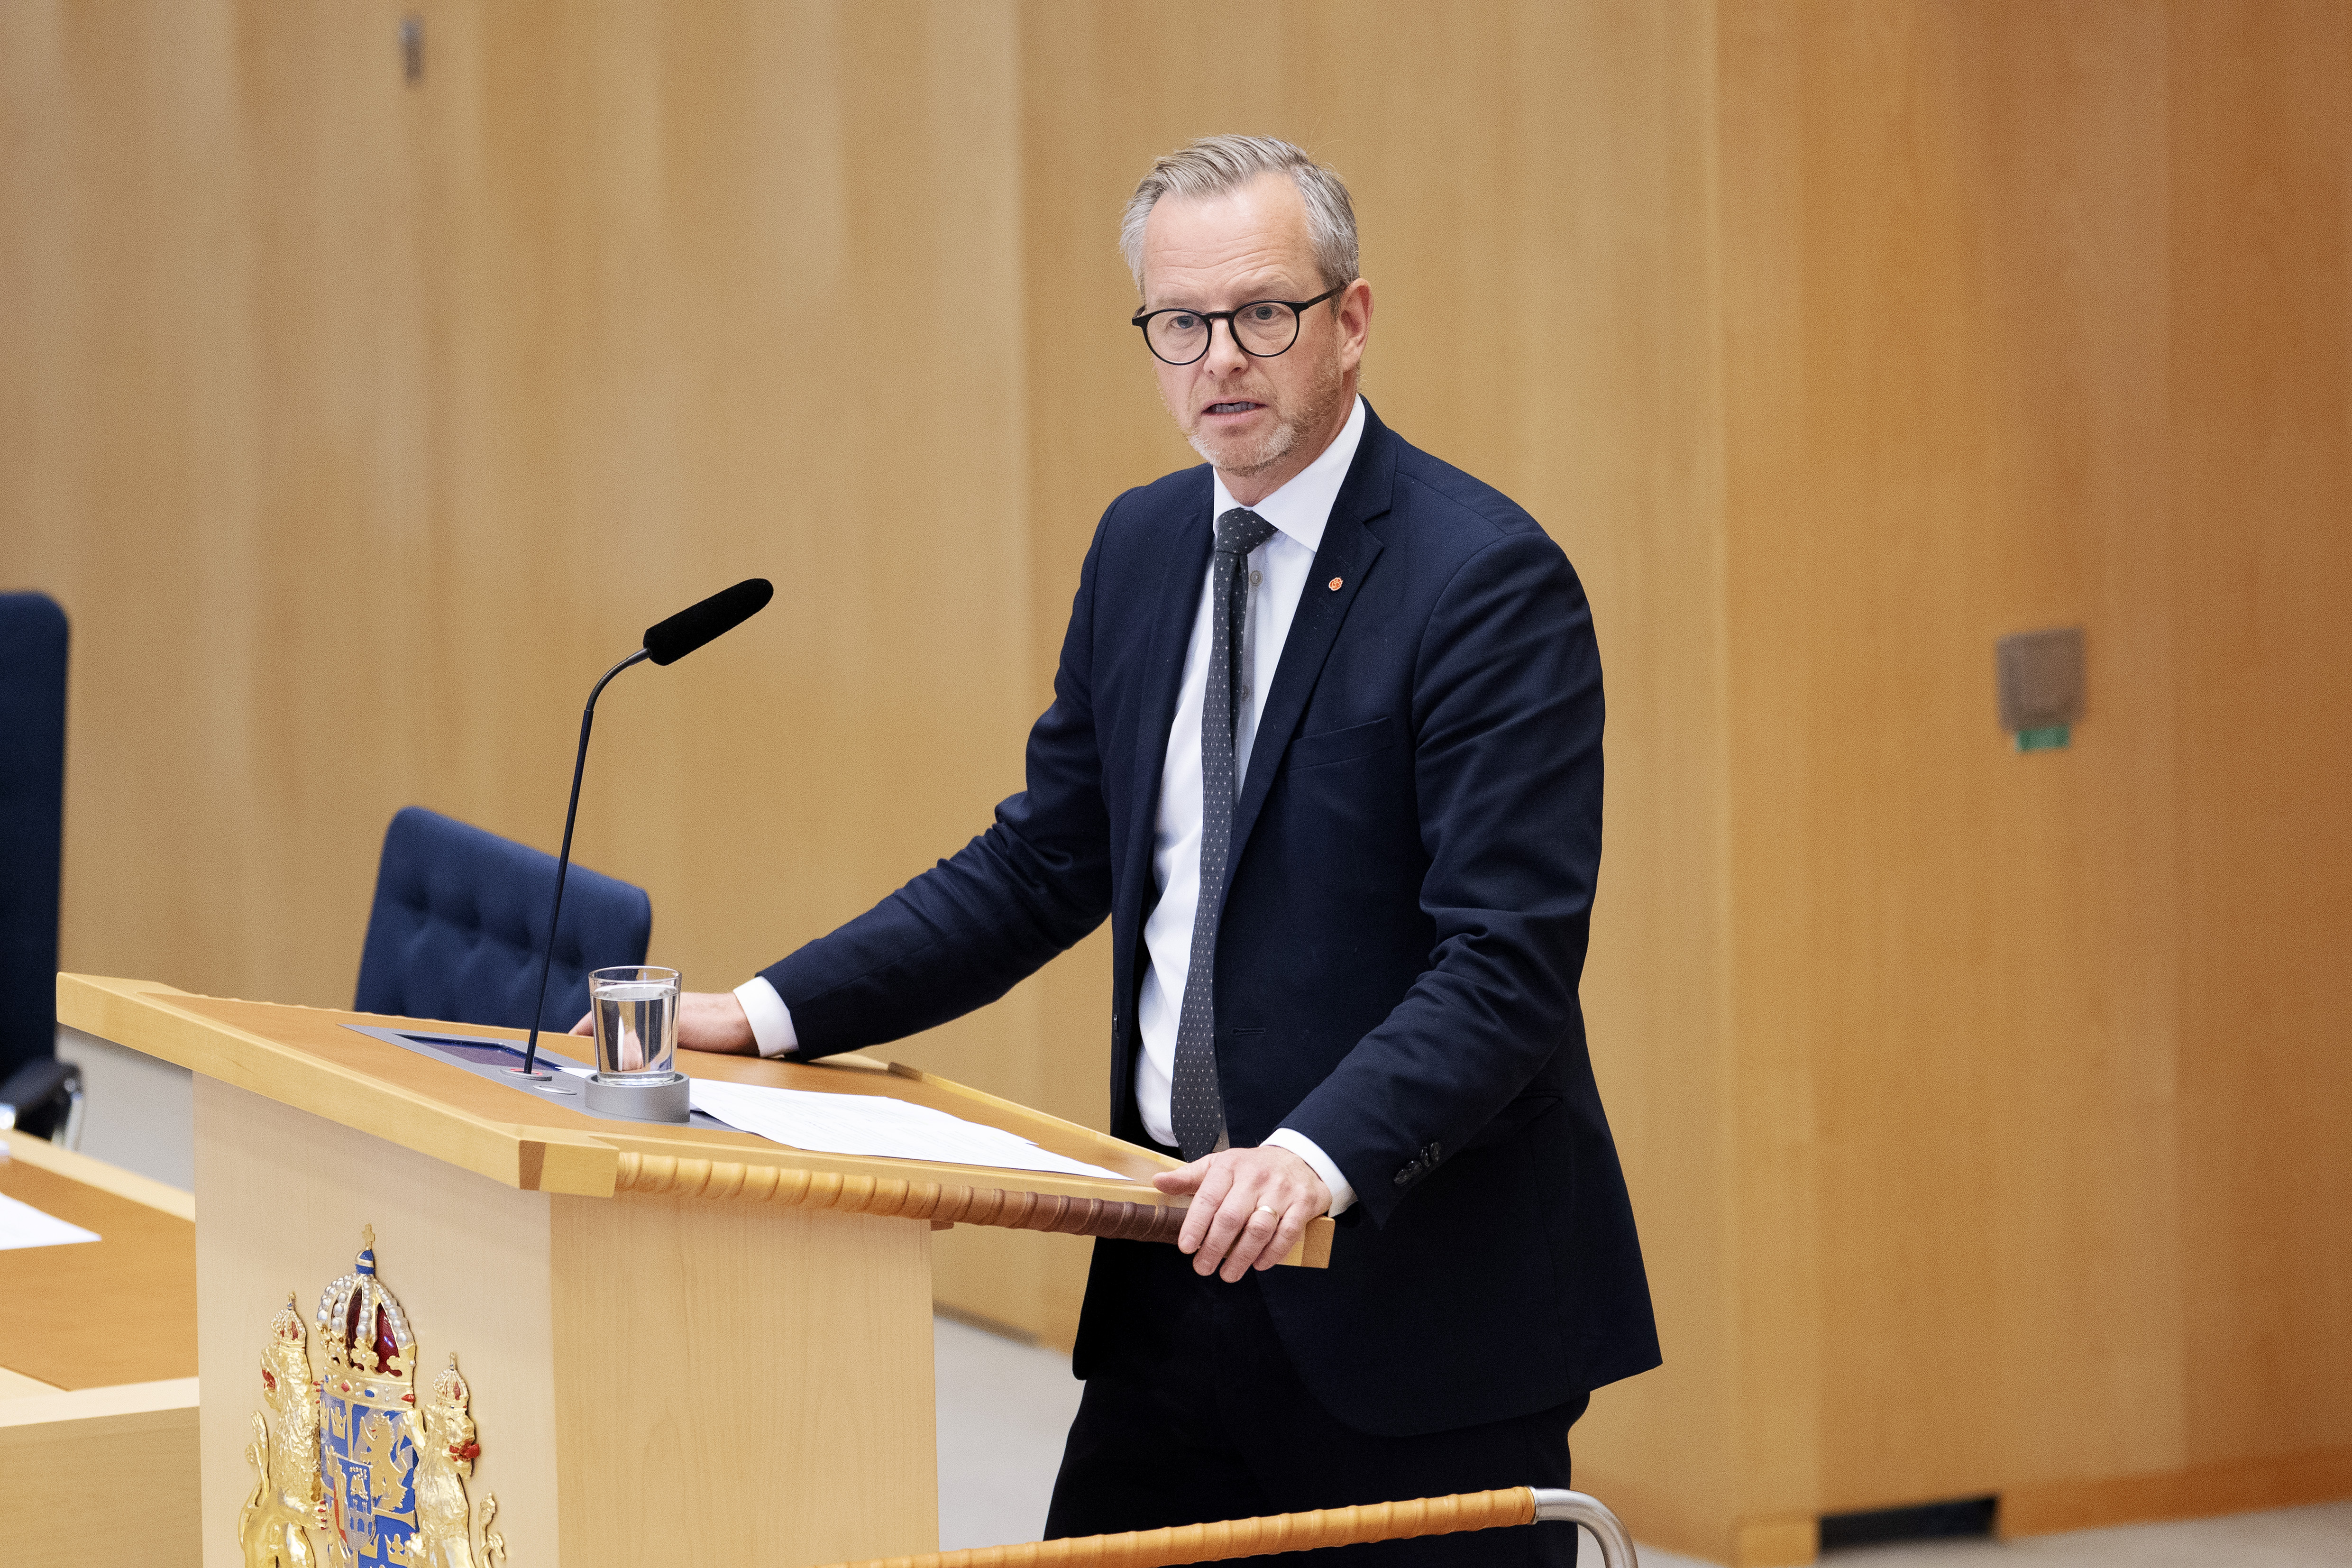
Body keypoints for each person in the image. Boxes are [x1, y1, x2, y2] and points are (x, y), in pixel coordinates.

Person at [657, 136, 1656, 1564]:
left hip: (1404, 1294)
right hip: (1173, 1261)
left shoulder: (1481, 580)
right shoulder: (1139, 549)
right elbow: (1039, 863)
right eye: (1178, 326)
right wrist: (757, 1014)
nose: (1220, 360)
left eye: (1263, 314)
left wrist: (1310, 1157)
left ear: (1350, 320)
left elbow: (1503, 962)